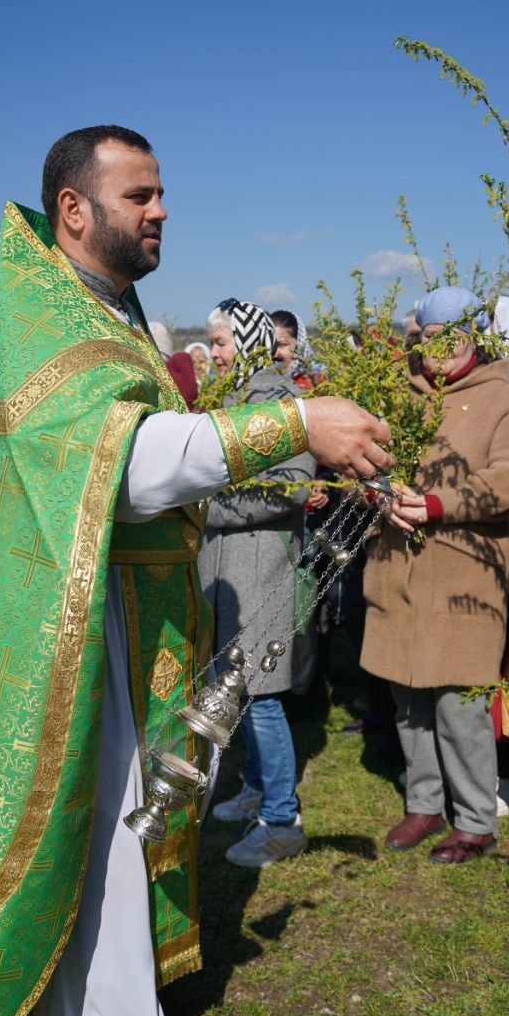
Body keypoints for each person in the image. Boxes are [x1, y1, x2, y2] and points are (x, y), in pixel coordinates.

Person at [0, 125, 392, 1016]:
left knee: (122, 822)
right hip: (66, 639)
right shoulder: (52, 326)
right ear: (73, 208)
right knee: (98, 831)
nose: (160, 211)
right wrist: (294, 424)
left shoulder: (103, 313)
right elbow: (128, 466)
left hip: (113, 618)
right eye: (139, 195)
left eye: (160, 194)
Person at [361, 285, 509, 864]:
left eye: (452, 336)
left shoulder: (498, 400)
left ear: (476, 339)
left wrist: (438, 504)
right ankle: (425, 802)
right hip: (398, 572)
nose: (439, 348)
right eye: (430, 337)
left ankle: (476, 819)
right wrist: (379, 494)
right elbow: (370, 464)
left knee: (460, 704)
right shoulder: (400, 395)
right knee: (409, 698)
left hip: (463, 580)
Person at [198, 299, 313, 866]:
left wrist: (208, 506)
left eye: (221, 342)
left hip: (261, 566)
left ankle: (283, 819)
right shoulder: (232, 399)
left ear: (245, 341)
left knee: (261, 697)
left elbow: (292, 485)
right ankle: (255, 788)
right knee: (236, 691)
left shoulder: (276, 401)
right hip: (228, 568)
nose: (214, 353)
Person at [270, 308, 316, 390]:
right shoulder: (257, 382)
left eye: (282, 345)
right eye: (270, 345)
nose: (275, 353)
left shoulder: (316, 381)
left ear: (299, 343)